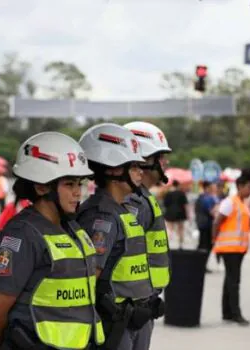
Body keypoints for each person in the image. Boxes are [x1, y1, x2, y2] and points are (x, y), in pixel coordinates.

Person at [0, 132, 105, 350]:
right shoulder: (22, 236)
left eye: (79, 184)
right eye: (69, 184)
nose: (78, 193)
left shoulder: (73, 229)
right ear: (41, 187)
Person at [76, 123, 154, 350]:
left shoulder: (122, 211)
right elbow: (91, 278)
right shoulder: (102, 218)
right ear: (112, 170)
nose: (141, 172)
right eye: (134, 166)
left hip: (133, 319)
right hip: (115, 324)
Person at [122, 121, 172, 331]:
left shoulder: (145, 198)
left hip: (144, 301)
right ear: (145, 159)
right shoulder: (135, 202)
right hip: (131, 307)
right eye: (161, 157)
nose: (166, 162)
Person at [212, 168, 250, 326]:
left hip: (238, 249)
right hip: (229, 248)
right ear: (239, 186)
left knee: (229, 280)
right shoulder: (230, 202)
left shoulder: (241, 203)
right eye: (248, 187)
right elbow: (217, 222)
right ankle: (236, 313)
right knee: (234, 281)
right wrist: (214, 241)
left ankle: (227, 312)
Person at [195, 181, 220, 273]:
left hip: (201, 224)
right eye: (211, 187)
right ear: (207, 188)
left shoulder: (200, 197)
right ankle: (202, 265)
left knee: (202, 245)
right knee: (206, 246)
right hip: (207, 225)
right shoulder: (207, 198)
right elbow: (212, 212)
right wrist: (217, 206)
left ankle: (199, 264)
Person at [163, 180, 189, 249]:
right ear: (178, 185)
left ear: (172, 185)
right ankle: (180, 245)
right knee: (180, 229)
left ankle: (167, 245)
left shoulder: (168, 193)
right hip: (180, 213)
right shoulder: (181, 193)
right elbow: (185, 205)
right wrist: (188, 214)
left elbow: (165, 204)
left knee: (170, 229)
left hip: (170, 213)